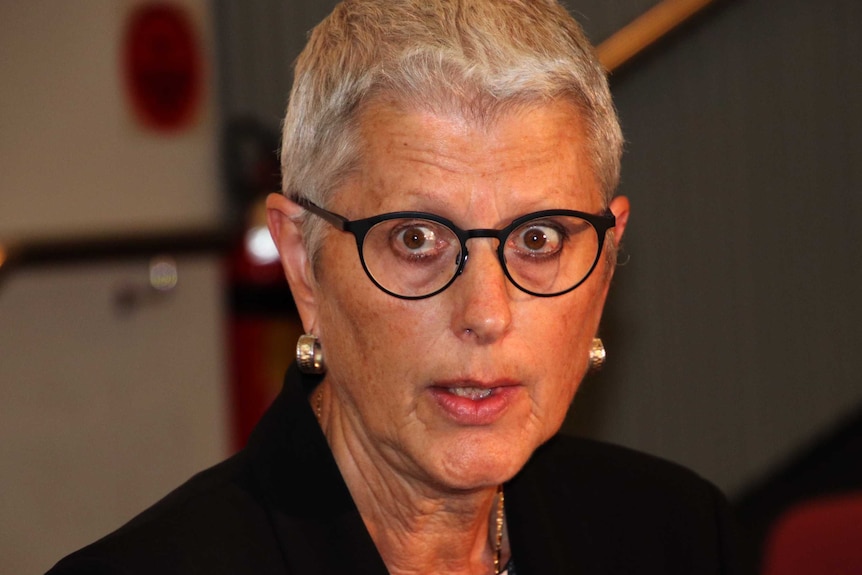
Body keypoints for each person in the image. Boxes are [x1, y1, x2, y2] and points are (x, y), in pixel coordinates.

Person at [48, 0, 739, 573]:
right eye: (417, 239)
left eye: (538, 238)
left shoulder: (676, 536)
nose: (486, 314)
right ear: (302, 262)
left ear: (608, 260)